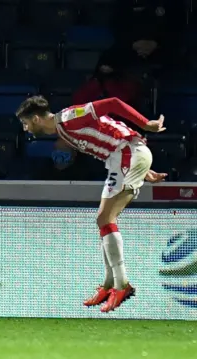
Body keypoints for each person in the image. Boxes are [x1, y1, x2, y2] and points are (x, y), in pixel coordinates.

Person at [15, 96, 167, 313]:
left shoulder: (69, 118)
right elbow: (108, 136)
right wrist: (144, 170)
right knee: (103, 221)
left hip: (127, 154)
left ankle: (122, 285)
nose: (26, 129)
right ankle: (109, 285)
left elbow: (114, 102)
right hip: (124, 158)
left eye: (26, 123)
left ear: (37, 119)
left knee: (105, 219)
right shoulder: (63, 129)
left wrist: (146, 124)